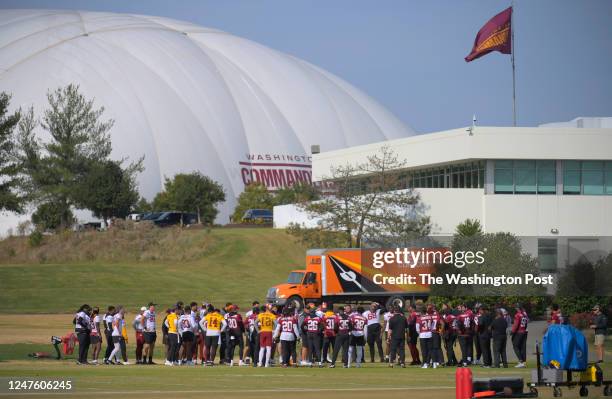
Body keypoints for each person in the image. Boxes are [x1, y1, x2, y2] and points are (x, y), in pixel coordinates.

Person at [511, 303, 529, 368]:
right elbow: (527, 322)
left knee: (515, 346)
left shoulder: (517, 315)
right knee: (522, 347)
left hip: (519, 332)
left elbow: (516, 325)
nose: (515, 308)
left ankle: (521, 361)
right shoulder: (524, 314)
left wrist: (512, 331)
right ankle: (523, 362)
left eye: (516, 307)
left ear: (517, 308)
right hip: (524, 331)